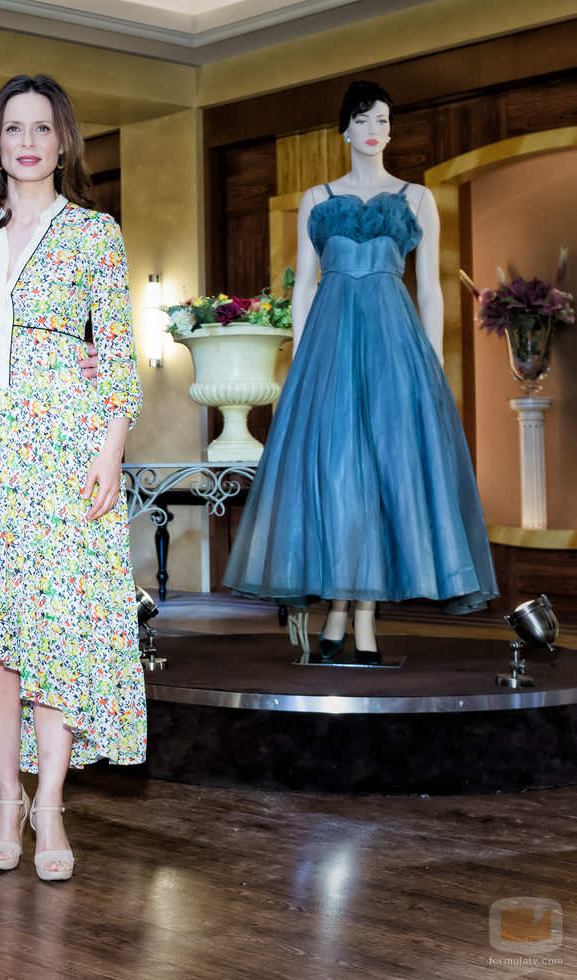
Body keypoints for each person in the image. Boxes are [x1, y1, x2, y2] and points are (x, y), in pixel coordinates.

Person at [0, 74, 146, 882]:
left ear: (62, 142)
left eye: (41, 128)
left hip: (64, 454)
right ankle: (4, 798)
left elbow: (116, 354)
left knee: (56, 628)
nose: (26, 142)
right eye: (12, 128)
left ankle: (49, 805)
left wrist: (110, 451)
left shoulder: (94, 234)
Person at [222, 80, 497, 662]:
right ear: (345, 129)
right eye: (366, 120)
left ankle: (359, 618)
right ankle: (339, 610)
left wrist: (430, 365)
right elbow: (303, 287)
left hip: (396, 350)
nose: (376, 131)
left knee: (383, 476)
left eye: (385, 121)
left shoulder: (418, 198)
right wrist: (301, 361)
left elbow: (430, 289)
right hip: (329, 349)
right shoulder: (317, 199)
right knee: (339, 477)